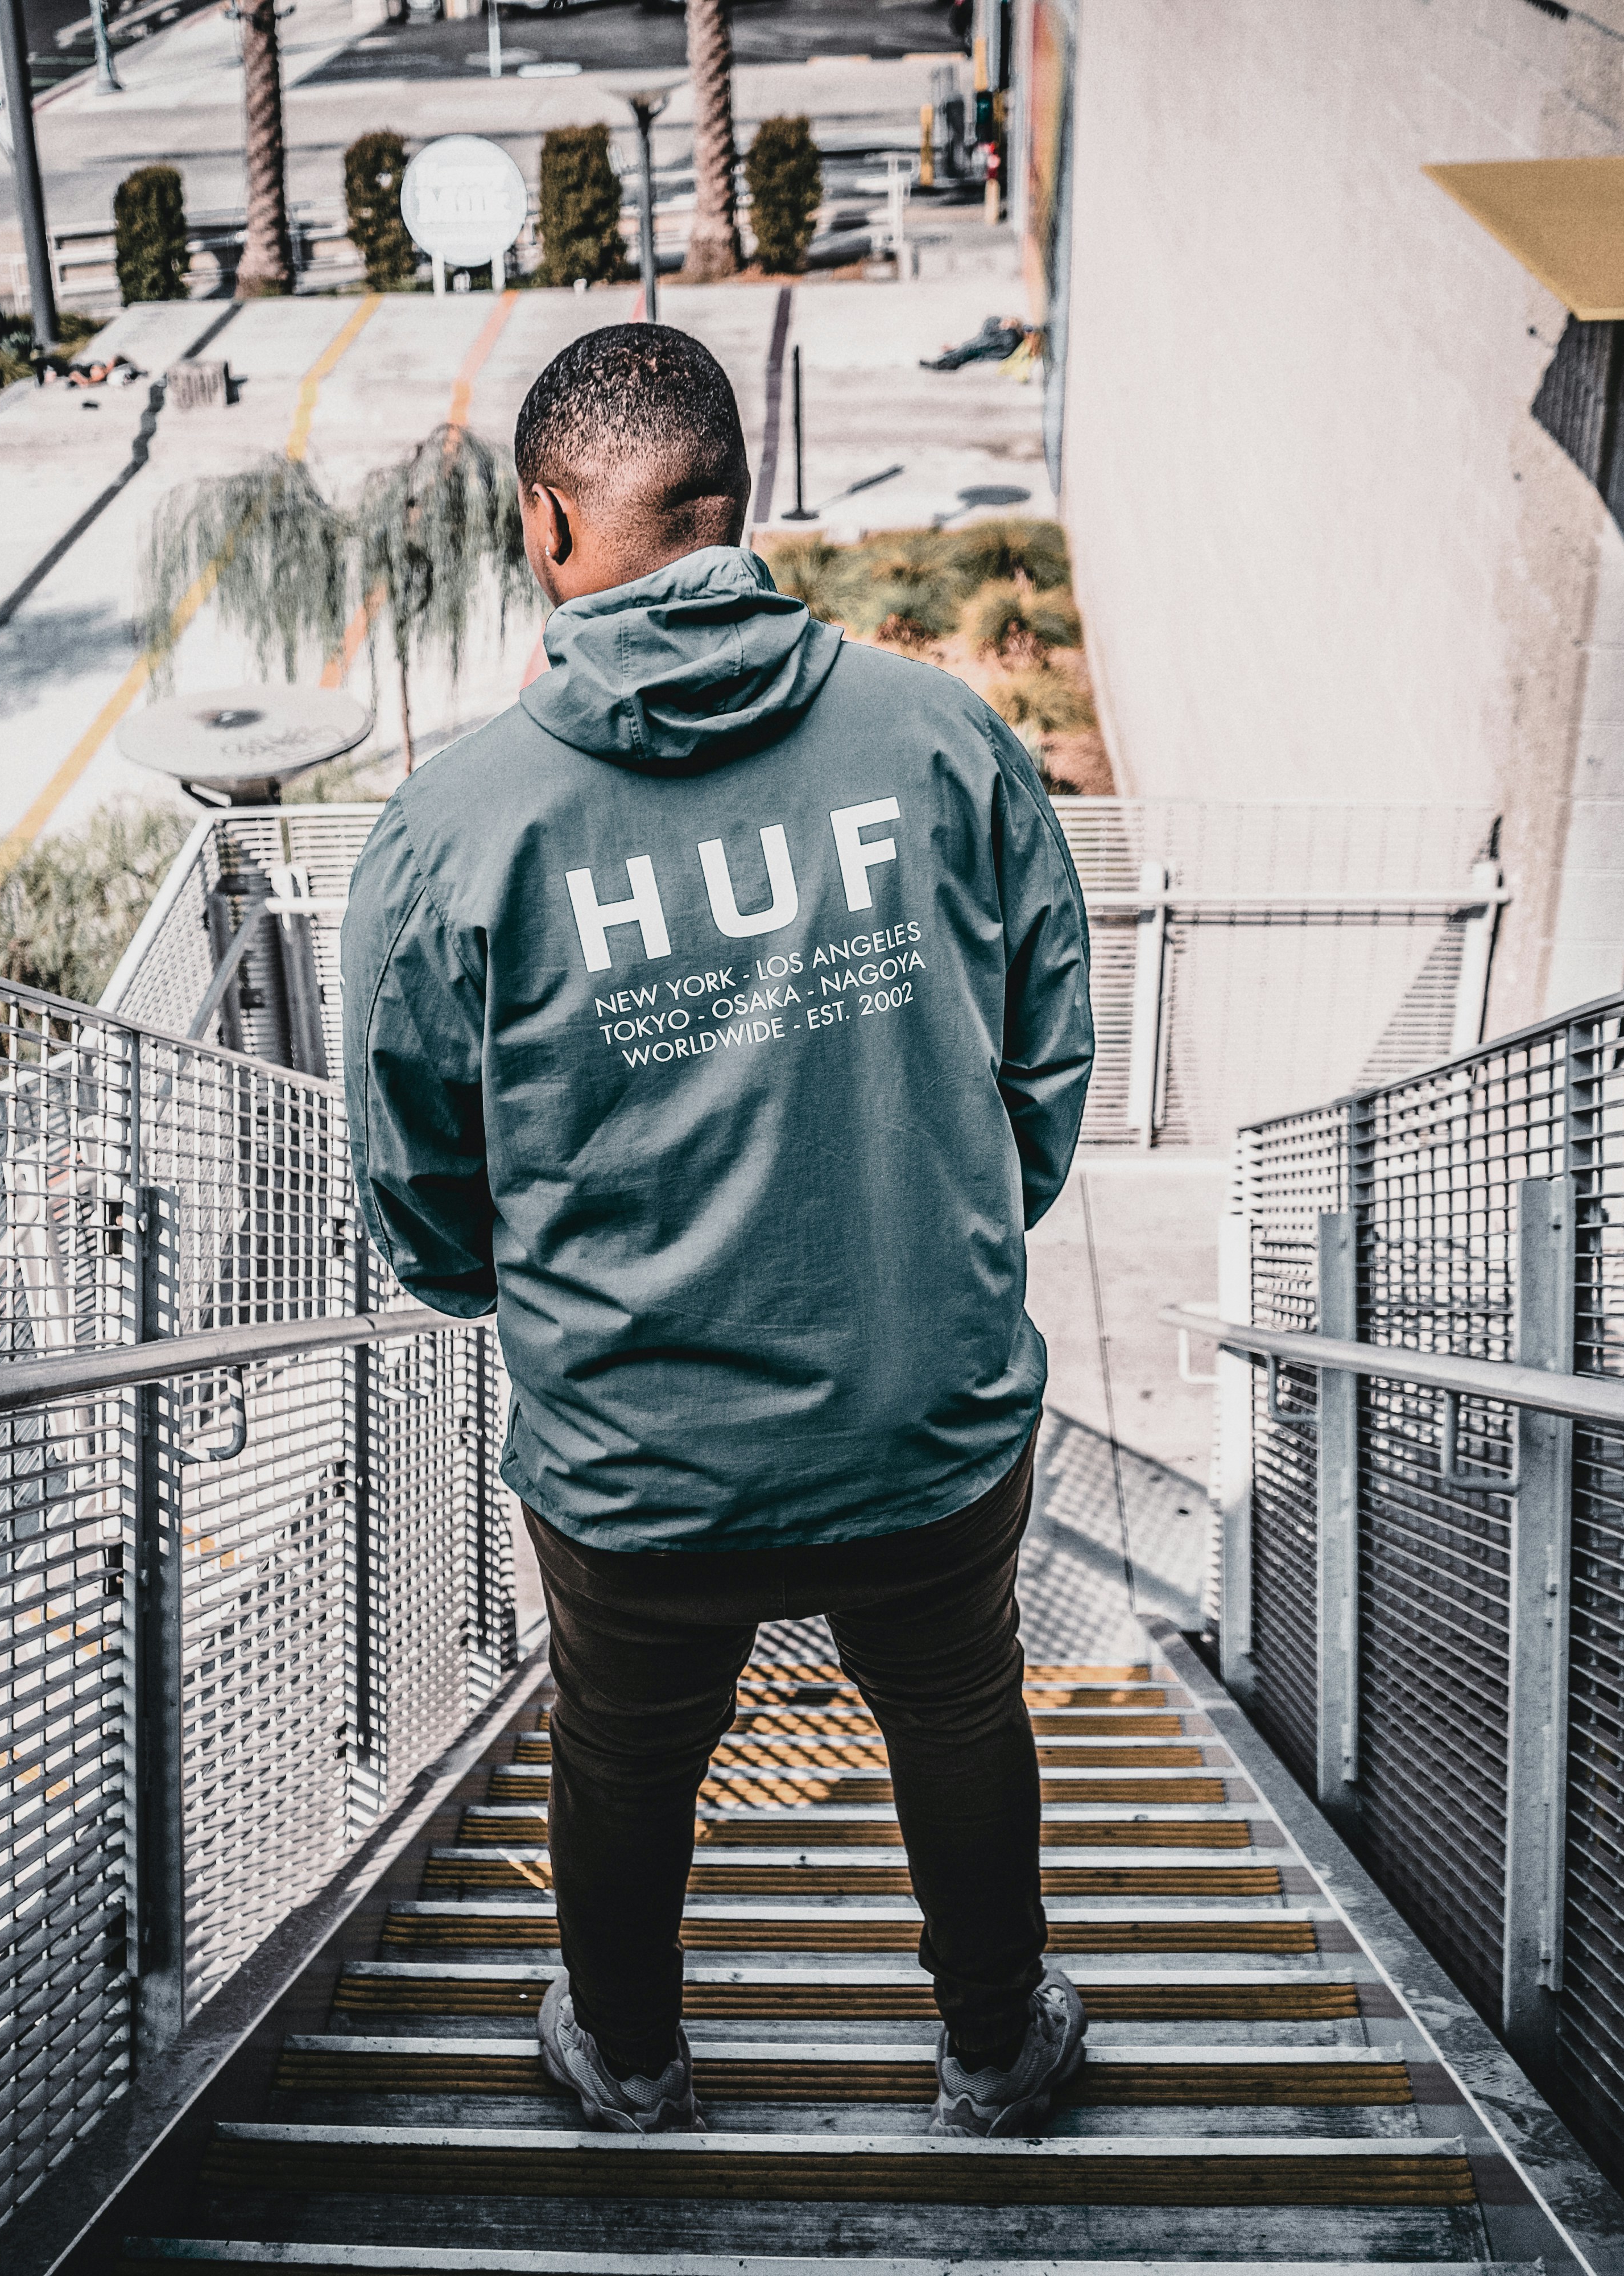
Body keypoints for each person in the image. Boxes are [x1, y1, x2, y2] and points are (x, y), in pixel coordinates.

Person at [340, 323, 1094, 2138]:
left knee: (622, 1748)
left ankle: (631, 2057)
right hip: (923, 1407)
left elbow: (420, 1183)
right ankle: (996, 2048)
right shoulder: (941, 742)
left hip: (634, 1450)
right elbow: (1048, 1060)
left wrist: (487, 1282)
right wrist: (947, 1238)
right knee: (960, 1714)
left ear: (546, 527)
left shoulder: (453, 835)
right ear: (735, 509)